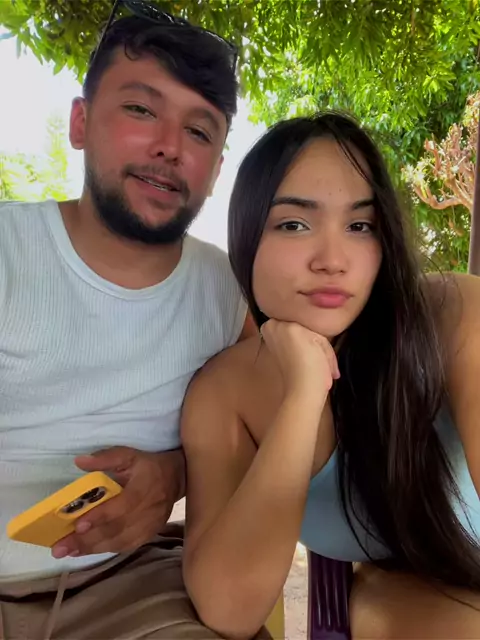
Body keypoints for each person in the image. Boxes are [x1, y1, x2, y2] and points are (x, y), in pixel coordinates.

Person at [0, 2, 254, 638]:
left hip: (135, 585)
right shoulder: (9, 249)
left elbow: (264, 435)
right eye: (141, 109)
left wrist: (176, 474)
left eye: (200, 132)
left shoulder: (228, 294)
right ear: (81, 122)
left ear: (217, 169)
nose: (170, 147)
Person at [181, 112, 480, 639]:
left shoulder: (454, 315)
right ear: (246, 235)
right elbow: (230, 610)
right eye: (294, 224)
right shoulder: (224, 394)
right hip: (414, 590)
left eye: (360, 226)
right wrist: (304, 393)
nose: (333, 260)